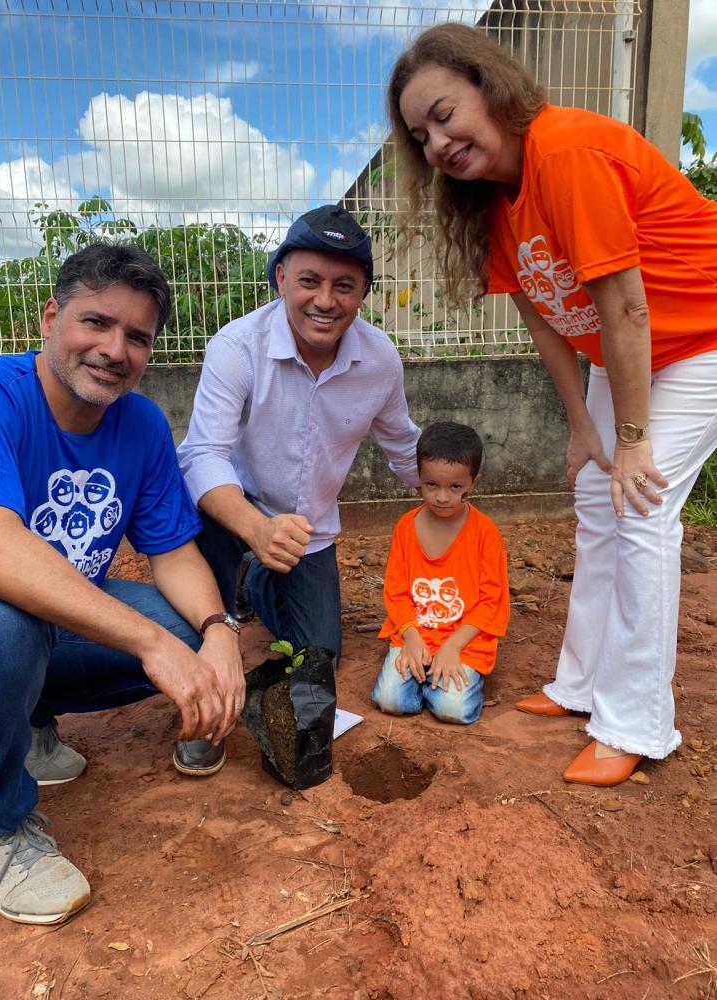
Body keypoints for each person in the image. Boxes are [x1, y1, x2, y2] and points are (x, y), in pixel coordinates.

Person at [387, 24, 717, 786]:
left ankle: (635, 723)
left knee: (640, 509)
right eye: (420, 136)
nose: (437, 144)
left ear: (492, 87)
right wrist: (581, 428)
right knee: (597, 504)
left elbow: (625, 307)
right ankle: (581, 685)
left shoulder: (565, 152)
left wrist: (631, 437)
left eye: (444, 114)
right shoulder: (496, 203)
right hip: (626, 353)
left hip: (700, 338)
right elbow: (548, 323)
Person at [0, 244, 245, 926]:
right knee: (7, 624)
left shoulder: (141, 423)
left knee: (185, 628)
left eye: (137, 337)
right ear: (51, 318)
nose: (115, 350)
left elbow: (173, 552)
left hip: (36, 633)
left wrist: (219, 632)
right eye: (96, 322)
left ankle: (25, 726)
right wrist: (151, 644)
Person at [177, 204, 421, 662]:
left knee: (317, 656)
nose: (325, 301)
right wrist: (257, 529)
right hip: (231, 510)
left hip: (308, 528)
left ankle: (254, 580)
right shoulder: (238, 346)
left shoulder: (380, 360)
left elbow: (403, 443)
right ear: (281, 279)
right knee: (198, 611)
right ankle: (220, 595)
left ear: (363, 293)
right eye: (310, 281)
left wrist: (450, 494)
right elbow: (202, 453)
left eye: (343, 286)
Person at [372, 422, 509, 724]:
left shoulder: (485, 533)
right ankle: (427, 681)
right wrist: (411, 638)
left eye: (455, 487)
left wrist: (451, 648)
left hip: (463, 641)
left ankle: (443, 683)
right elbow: (396, 592)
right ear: (418, 478)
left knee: (453, 710)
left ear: (473, 482)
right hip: (415, 633)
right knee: (391, 701)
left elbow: (491, 601)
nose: (442, 497)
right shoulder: (406, 527)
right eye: (431, 485)